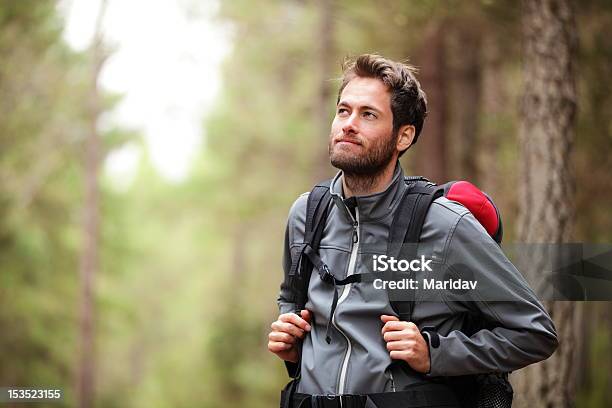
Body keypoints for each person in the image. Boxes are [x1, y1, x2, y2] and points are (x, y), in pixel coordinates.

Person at [268, 54, 558, 408]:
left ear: (403, 136)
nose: (348, 124)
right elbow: (291, 298)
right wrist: (291, 339)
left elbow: (534, 333)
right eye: (343, 111)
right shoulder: (307, 214)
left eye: (368, 114)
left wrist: (435, 353)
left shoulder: (445, 225)